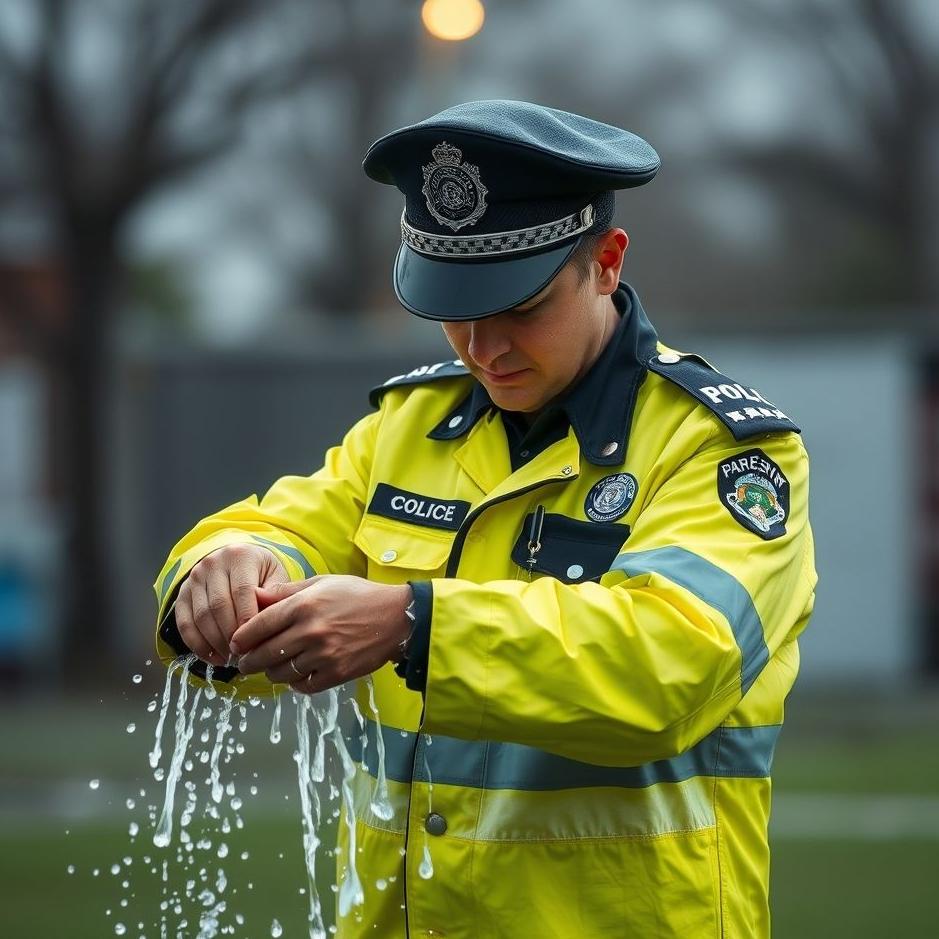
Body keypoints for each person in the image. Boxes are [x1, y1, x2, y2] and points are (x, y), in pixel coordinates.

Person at [154, 99, 816, 938]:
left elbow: (669, 665)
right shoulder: (407, 426)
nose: (482, 346)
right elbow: (282, 528)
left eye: (520, 307)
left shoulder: (719, 450)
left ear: (605, 263)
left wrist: (410, 625)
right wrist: (223, 566)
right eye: (455, 309)